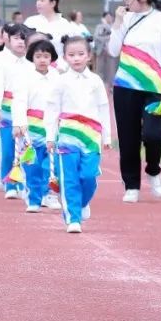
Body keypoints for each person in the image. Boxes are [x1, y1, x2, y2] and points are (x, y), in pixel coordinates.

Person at [107, 0, 161, 203]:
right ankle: (131, 185)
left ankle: (154, 170)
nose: (126, 0)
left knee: (153, 134)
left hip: (154, 87)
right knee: (128, 138)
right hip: (126, 86)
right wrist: (117, 24)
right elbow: (113, 50)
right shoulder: (125, 18)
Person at [46, 35, 111, 233]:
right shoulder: (61, 81)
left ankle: (82, 203)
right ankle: (73, 218)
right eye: (71, 55)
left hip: (91, 136)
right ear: (65, 57)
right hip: (67, 135)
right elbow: (52, 109)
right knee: (69, 178)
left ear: (89, 56)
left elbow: (103, 108)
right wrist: (50, 136)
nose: (76, 58)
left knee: (89, 176)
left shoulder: (95, 81)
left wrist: (106, 137)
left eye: (80, 54)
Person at [0, 23, 30, 199]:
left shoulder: (32, 61)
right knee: (7, 148)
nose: (20, 42)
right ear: (8, 40)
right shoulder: (2, 62)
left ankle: (23, 183)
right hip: (7, 110)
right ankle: (9, 182)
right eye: (16, 38)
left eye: (23, 38)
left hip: (28, 113)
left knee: (25, 148)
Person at [18, 38, 58, 212]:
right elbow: (19, 102)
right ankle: (34, 199)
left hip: (52, 128)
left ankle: (49, 194)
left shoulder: (57, 78)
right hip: (31, 130)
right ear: (32, 58)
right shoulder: (25, 78)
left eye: (46, 56)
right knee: (32, 165)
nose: (42, 60)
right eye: (38, 56)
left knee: (49, 165)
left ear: (52, 58)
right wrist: (19, 123)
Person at [24, 0, 78, 64]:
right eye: (38, 0)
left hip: (59, 67)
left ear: (53, 3)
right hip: (34, 67)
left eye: (42, 0)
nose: (38, 3)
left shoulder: (65, 24)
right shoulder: (30, 22)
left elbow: (71, 48)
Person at [92, 11, 115, 88]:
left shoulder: (115, 26)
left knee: (111, 69)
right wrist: (107, 38)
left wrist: (106, 38)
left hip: (111, 51)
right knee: (100, 68)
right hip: (101, 50)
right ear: (104, 18)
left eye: (110, 17)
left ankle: (110, 86)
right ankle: (100, 85)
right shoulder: (99, 26)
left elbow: (114, 37)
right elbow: (96, 37)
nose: (109, 18)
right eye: (107, 17)